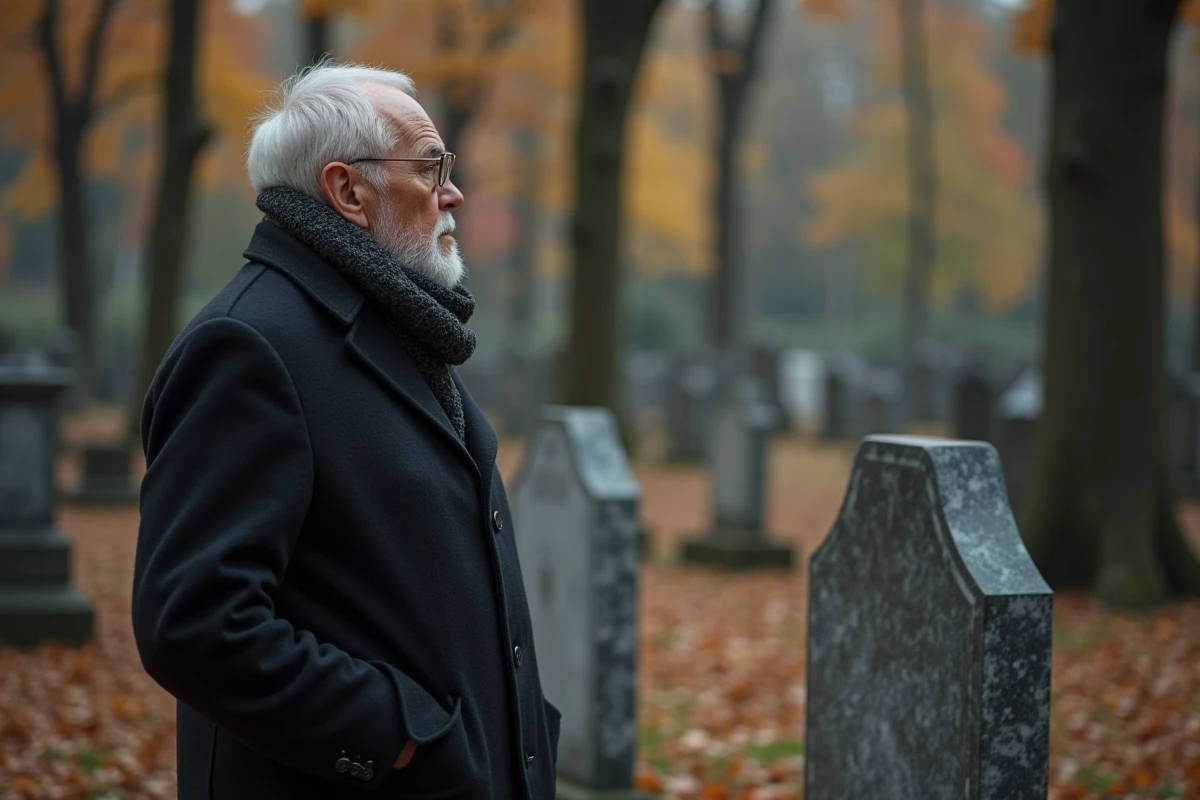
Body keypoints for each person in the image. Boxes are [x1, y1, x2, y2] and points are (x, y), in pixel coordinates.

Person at [131, 61, 560, 800]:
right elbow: (195, 622)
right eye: (430, 166)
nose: (453, 192)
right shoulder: (251, 345)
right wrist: (397, 736)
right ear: (347, 191)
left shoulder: (395, 328)